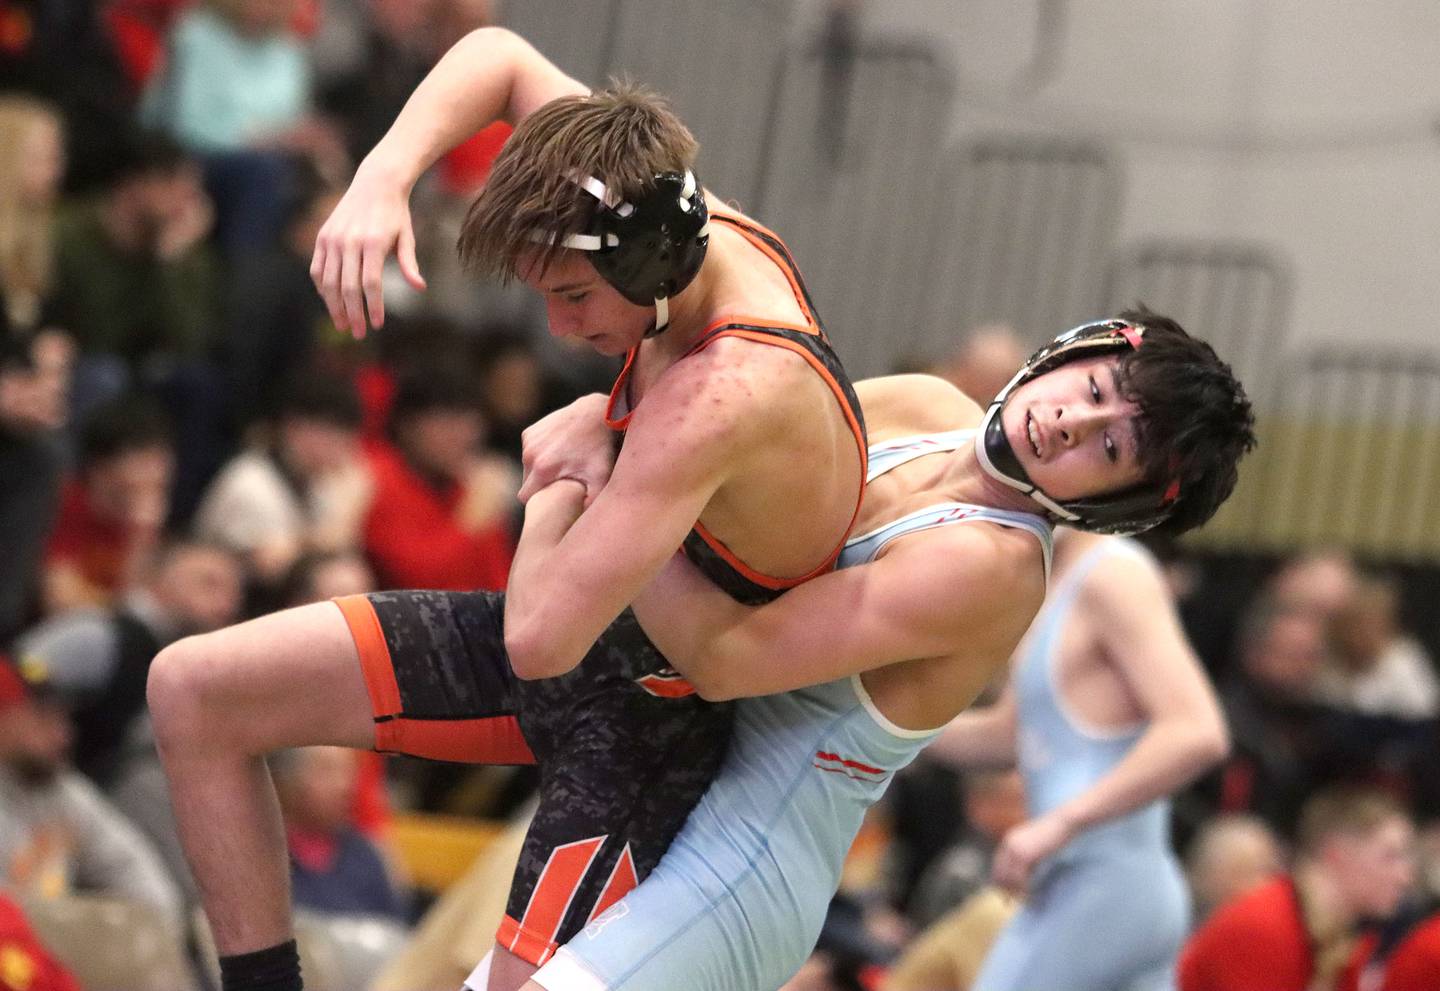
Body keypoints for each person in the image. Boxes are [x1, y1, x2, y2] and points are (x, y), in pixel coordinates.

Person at [150, 27, 867, 991]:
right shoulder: (665, 208)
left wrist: (573, 465)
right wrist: (381, 179)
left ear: (654, 259)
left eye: (572, 294)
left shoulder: (727, 391)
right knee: (194, 690)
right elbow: (497, 53)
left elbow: (538, 640)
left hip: (655, 719)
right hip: (596, 631)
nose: (559, 327)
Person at [503, 312, 1253, 991]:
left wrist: (607, 480)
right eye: (1091, 388)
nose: (1070, 422)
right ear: (1069, 352)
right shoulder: (923, 405)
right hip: (652, 769)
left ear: (1112, 503)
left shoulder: (993, 565)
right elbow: (720, 451)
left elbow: (724, 656)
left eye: (1109, 445)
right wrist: (606, 425)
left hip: (732, 865)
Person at [0, 655, 182, 926]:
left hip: (51, 954)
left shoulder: (62, 790)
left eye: (63, 717)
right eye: (43, 717)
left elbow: (135, 873)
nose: (64, 734)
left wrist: (155, 936)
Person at [1179, 788, 1416, 991]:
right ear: (1337, 854)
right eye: (1390, 856)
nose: (1404, 877)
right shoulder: (1265, 925)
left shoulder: (1336, 938)